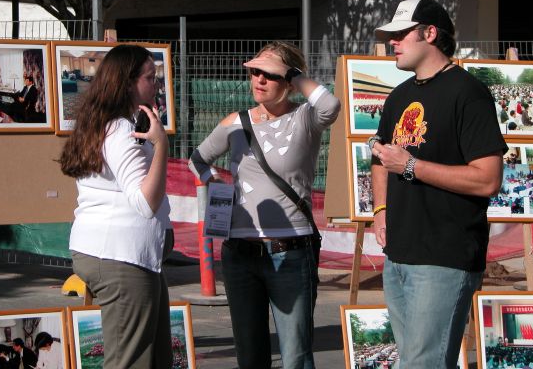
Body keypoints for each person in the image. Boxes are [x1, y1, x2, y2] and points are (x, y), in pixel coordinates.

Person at [369, 0, 507, 368]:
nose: (393, 42)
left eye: (402, 34)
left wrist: (412, 166)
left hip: (445, 255)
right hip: (399, 254)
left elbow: (488, 179)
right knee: (414, 361)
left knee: (423, 363)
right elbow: (380, 159)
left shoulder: (469, 93)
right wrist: (380, 211)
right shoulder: (399, 96)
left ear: (430, 33)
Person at [188, 41, 340, 369]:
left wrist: (293, 73)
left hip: (291, 250)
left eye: (270, 74)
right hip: (239, 254)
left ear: (289, 81)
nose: (259, 79)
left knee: (296, 356)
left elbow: (330, 105)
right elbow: (197, 159)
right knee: (250, 356)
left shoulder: (304, 117)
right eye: (255, 71)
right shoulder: (235, 122)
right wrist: (213, 180)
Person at [60, 44, 173, 368]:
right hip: (121, 257)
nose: (157, 84)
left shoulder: (105, 123)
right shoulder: (121, 130)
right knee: (130, 359)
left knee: (154, 356)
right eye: (150, 77)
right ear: (127, 83)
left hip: (123, 255)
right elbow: (145, 202)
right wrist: (161, 145)